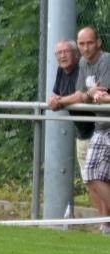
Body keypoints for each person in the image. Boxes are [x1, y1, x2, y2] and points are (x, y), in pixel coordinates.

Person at [54, 26, 110, 234]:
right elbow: (85, 95)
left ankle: (106, 223)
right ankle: (106, 223)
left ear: (99, 43)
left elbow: (102, 96)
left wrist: (96, 96)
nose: (86, 48)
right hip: (101, 126)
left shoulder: (106, 61)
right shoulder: (85, 64)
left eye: (89, 43)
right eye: (82, 44)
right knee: (91, 174)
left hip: (104, 126)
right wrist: (90, 94)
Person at [47, 39, 95, 175]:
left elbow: (82, 95)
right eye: (59, 53)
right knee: (89, 180)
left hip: (100, 133)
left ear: (76, 54)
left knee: (100, 181)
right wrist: (52, 100)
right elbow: (57, 96)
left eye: (66, 51)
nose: (62, 56)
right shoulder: (61, 71)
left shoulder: (84, 67)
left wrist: (60, 101)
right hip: (82, 134)